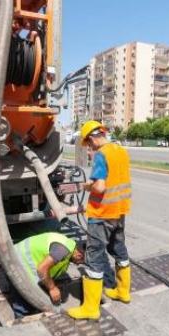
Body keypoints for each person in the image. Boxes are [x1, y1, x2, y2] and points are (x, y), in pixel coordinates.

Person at [67, 120, 132, 321]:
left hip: (102, 214)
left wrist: (88, 186)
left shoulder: (101, 154)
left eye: (89, 144)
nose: (90, 148)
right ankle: (123, 291)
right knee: (119, 249)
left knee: (94, 256)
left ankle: (90, 308)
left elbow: (100, 187)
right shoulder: (121, 150)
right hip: (119, 212)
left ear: (93, 138)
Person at [11, 232, 86, 319]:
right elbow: (41, 269)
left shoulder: (68, 250)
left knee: (33, 304)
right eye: (81, 262)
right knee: (23, 305)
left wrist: (53, 285)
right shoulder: (63, 250)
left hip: (24, 264)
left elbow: (50, 270)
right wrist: (52, 288)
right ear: (79, 255)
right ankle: (22, 325)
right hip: (15, 261)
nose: (78, 265)